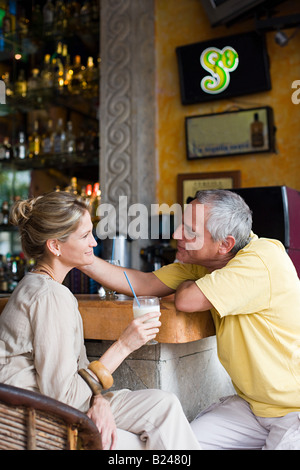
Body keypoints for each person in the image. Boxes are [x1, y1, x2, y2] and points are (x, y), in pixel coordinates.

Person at [81, 189, 300, 450]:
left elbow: (186, 300)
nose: (176, 235)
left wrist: (186, 285)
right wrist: (82, 259)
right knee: (175, 446)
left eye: (190, 231)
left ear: (225, 244)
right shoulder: (207, 261)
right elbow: (144, 283)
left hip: (293, 412)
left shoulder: (262, 258)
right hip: (253, 408)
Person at [0, 191, 202, 451]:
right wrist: (124, 345)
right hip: (33, 422)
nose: (94, 243)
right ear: (55, 246)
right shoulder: (50, 296)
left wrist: (100, 402)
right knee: (136, 445)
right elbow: (63, 399)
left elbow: (78, 371)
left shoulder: (42, 286)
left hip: (60, 403)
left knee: (164, 405)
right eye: (84, 236)